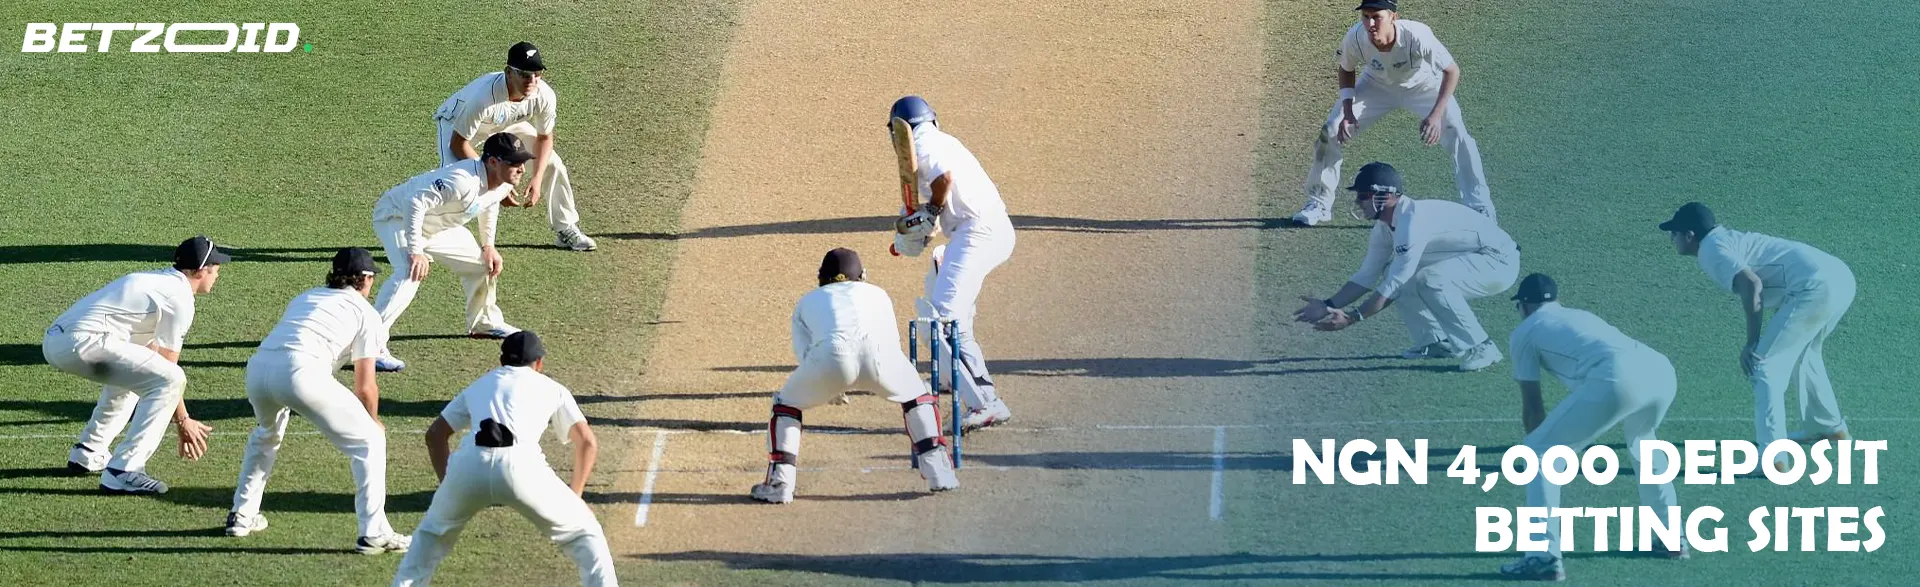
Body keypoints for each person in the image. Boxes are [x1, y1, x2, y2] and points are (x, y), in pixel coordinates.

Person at [1496, 274, 1687, 581]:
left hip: (1618, 376)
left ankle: (1543, 556)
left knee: (1540, 454)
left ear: (1524, 305)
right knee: (1643, 442)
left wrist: (1538, 446)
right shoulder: (1576, 315)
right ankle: (1671, 537)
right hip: (1659, 370)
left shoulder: (1525, 332)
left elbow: (1533, 407)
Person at [391, 331, 614, 587]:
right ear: (539, 363)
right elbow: (587, 442)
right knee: (585, 534)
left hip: (468, 468)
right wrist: (575, 497)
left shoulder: (480, 384)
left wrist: (448, 483)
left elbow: (435, 435)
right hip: (522, 468)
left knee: (427, 540)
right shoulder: (553, 388)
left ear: (502, 361)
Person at [224, 248, 411, 554]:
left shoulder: (307, 296)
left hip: (258, 370)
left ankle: (242, 515)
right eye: (371, 278)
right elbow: (365, 385)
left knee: (266, 435)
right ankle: (374, 532)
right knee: (371, 442)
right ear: (364, 279)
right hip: (301, 372)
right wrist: (373, 420)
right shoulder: (366, 313)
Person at [752, 248, 960, 504]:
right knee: (918, 397)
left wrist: (831, 387)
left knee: (786, 405)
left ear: (821, 277)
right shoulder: (878, 294)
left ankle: (780, 482)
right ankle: (939, 471)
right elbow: (891, 341)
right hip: (882, 356)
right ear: (862, 276)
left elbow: (805, 354)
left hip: (831, 359)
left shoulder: (807, 300)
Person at [1661, 202, 1855, 468]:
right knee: (1804, 355)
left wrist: (1752, 341)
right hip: (1839, 278)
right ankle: (1828, 428)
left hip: (1815, 287)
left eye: (1674, 233)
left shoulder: (1711, 250)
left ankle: (1774, 457)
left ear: (1690, 235)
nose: (1672, 239)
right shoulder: (1726, 241)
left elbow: (1751, 284)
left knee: (1763, 366)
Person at [1292, 162, 1518, 371]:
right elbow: (1367, 276)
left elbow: (1393, 285)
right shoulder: (1383, 228)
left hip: (1498, 261)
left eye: (1363, 196)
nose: (1357, 202)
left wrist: (1353, 317)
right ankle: (1436, 341)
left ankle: (1482, 346)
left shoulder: (1412, 223)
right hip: (1470, 254)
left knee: (1429, 279)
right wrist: (1327, 305)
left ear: (1385, 195)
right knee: (1401, 273)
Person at [45, 235, 223, 495]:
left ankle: (89, 451)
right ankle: (125, 470)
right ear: (199, 271)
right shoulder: (179, 298)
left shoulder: (155, 282)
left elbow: (149, 355)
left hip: (55, 342)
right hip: (83, 343)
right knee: (170, 379)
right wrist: (183, 420)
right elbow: (169, 368)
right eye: (215, 268)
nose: (218, 274)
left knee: (138, 372)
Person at [1293, 0, 1492, 226]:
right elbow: (1346, 69)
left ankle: (1479, 207)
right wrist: (1347, 110)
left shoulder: (1418, 35)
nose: (1370, 23)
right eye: (1365, 16)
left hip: (1423, 86)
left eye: (1376, 16)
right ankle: (1319, 203)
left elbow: (1452, 71)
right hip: (1375, 87)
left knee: (1458, 133)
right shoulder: (1356, 37)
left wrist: (1436, 115)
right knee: (1329, 132)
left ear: (1393, 17)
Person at [887, 95, 1015, 430]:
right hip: (979, 232)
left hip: (979, 234)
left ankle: (986, 401)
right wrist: (924, 228)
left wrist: (929, 213)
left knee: (941, 321)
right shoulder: (942, 141)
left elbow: (944, 180)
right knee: (937, 277)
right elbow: (947, 200)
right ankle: (949, 376)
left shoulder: (924, 144)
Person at [371, 132, 531, 369]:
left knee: (482, 264)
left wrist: (488, 246)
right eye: (515, 163)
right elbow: (415, 202)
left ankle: (483, 322)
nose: (522, 169)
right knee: (409, 271)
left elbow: (489, 206)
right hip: (396, 217)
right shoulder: (461, 180)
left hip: (437, 227)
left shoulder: (501, 182)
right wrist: (416, 251)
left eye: (523, 162)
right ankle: (370, 344)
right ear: (494, 162)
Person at [434, 41, 596, 252]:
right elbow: (458, 144)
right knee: (458, 182)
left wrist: (536, 178)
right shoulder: (483, 98)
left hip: (507, 124)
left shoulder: (544, 95)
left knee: (552, 165)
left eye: (537, 74)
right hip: (457, 128)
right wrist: (498, 182)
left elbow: (544, 138)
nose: (532, 80)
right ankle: (429, 238)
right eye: (524, 74)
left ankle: (566, 228)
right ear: (509, 73)